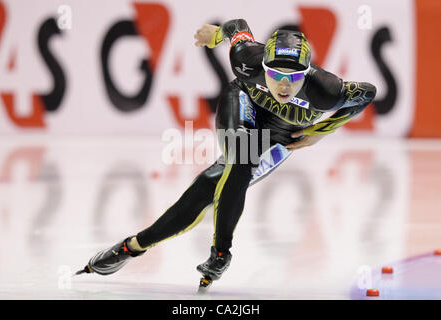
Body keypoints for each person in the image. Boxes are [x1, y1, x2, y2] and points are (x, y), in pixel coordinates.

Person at [76, 19, 376, 290]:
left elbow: (367, 92)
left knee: (208, 187)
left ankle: (131, 247)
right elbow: (237, 26)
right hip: (242, 103)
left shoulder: (327, 89)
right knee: (242, 156)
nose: (284, 85)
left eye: (294, 76)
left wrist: (321, 132)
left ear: (307, 73)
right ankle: (221, 253)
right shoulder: (246, 59)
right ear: (264, 67)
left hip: (280, 137)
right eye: (274, 74)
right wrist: (216, 34)